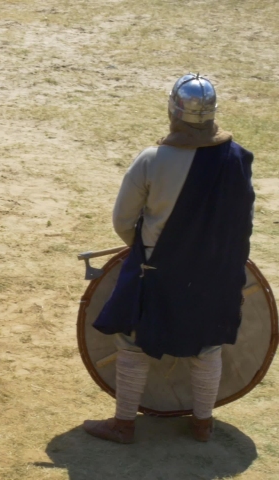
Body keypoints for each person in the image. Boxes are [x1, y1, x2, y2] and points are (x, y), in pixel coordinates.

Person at [83, 74, 255, 443]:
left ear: (173, 112)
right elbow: (241, 225)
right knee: (207, 343)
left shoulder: (152, 159)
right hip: (215, 274)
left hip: (157, 272)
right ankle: (202, 424)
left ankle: (124, 424)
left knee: (132, 340)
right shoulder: (238, 158)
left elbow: (122, 221)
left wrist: (149, 249)